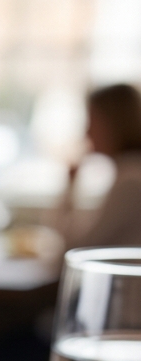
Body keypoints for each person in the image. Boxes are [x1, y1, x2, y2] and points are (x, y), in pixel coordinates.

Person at [55, 83, 141, 247]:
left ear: (114, 123)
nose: (86, 132)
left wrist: (70, 186)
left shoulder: (131, 182)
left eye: (92, 121)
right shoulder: (130, 172)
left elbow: (77, 247)